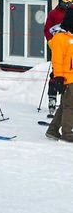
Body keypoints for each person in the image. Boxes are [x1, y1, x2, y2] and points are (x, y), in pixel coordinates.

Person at [44, 0, 73, 116]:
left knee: (67, 76)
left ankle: (65, 103)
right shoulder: (54, 14)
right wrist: (51, 42)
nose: (69, 2)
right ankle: (52, 99)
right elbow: (47, 30)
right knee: (56, 74)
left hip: (69, 47)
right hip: (57, 46)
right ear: (60, 0)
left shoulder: (71, 11)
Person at [45, 8, 73, 141]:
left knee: (65, 105)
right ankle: (68, 133)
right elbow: (57, 60)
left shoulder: (71, 37)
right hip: (67, 78)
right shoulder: (60, 38)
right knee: (70, 106)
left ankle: (53, 130)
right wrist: (59, 78)